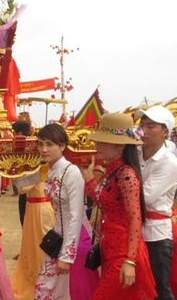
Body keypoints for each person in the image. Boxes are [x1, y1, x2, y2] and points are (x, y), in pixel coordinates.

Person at [82, 113, 157, 299]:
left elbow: (135, 218)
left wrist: (130, 261)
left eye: (103, 142)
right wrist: (90, 179)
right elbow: (103, 202)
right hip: (109, 247)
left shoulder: (126, 175)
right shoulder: (112, 170)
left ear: (121, 146)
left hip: (123, 251)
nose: (97, 146)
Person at [34, 123, 99, 299]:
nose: (44, 149)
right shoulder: (50, 170)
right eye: (40, 144)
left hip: (76, 240)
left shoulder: (71, 172)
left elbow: (77, 215)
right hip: (58, 238)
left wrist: (67, 256)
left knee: (73, 292)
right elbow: (20, 183)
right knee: (44, 290)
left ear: (62, 146)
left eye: (49, 144)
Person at [134, 106, 177, 299]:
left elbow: (143, 197)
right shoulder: (134, 152)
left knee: (159, 290)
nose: (145, 129)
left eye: (151, 126)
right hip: (133, 231)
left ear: (165, 132)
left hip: (156, 236)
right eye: (142, 125)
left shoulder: (169, 162)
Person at [10, 170, 55, 300]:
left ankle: (44, 281)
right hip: (32, 208)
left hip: (41, 210)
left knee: (42, 247)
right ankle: (36, 279)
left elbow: (22, 188)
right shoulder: (34, 169)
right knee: (30, 246)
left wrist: (18, 175)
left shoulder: (41, 169)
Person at [11, 120, 32, 261]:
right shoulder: (31, 146)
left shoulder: (28, 148)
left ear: (18, 133)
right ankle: (26, 251)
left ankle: (28, 252)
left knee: (28, 223)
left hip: (30, 191)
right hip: (25, 190)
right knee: (24, 222)